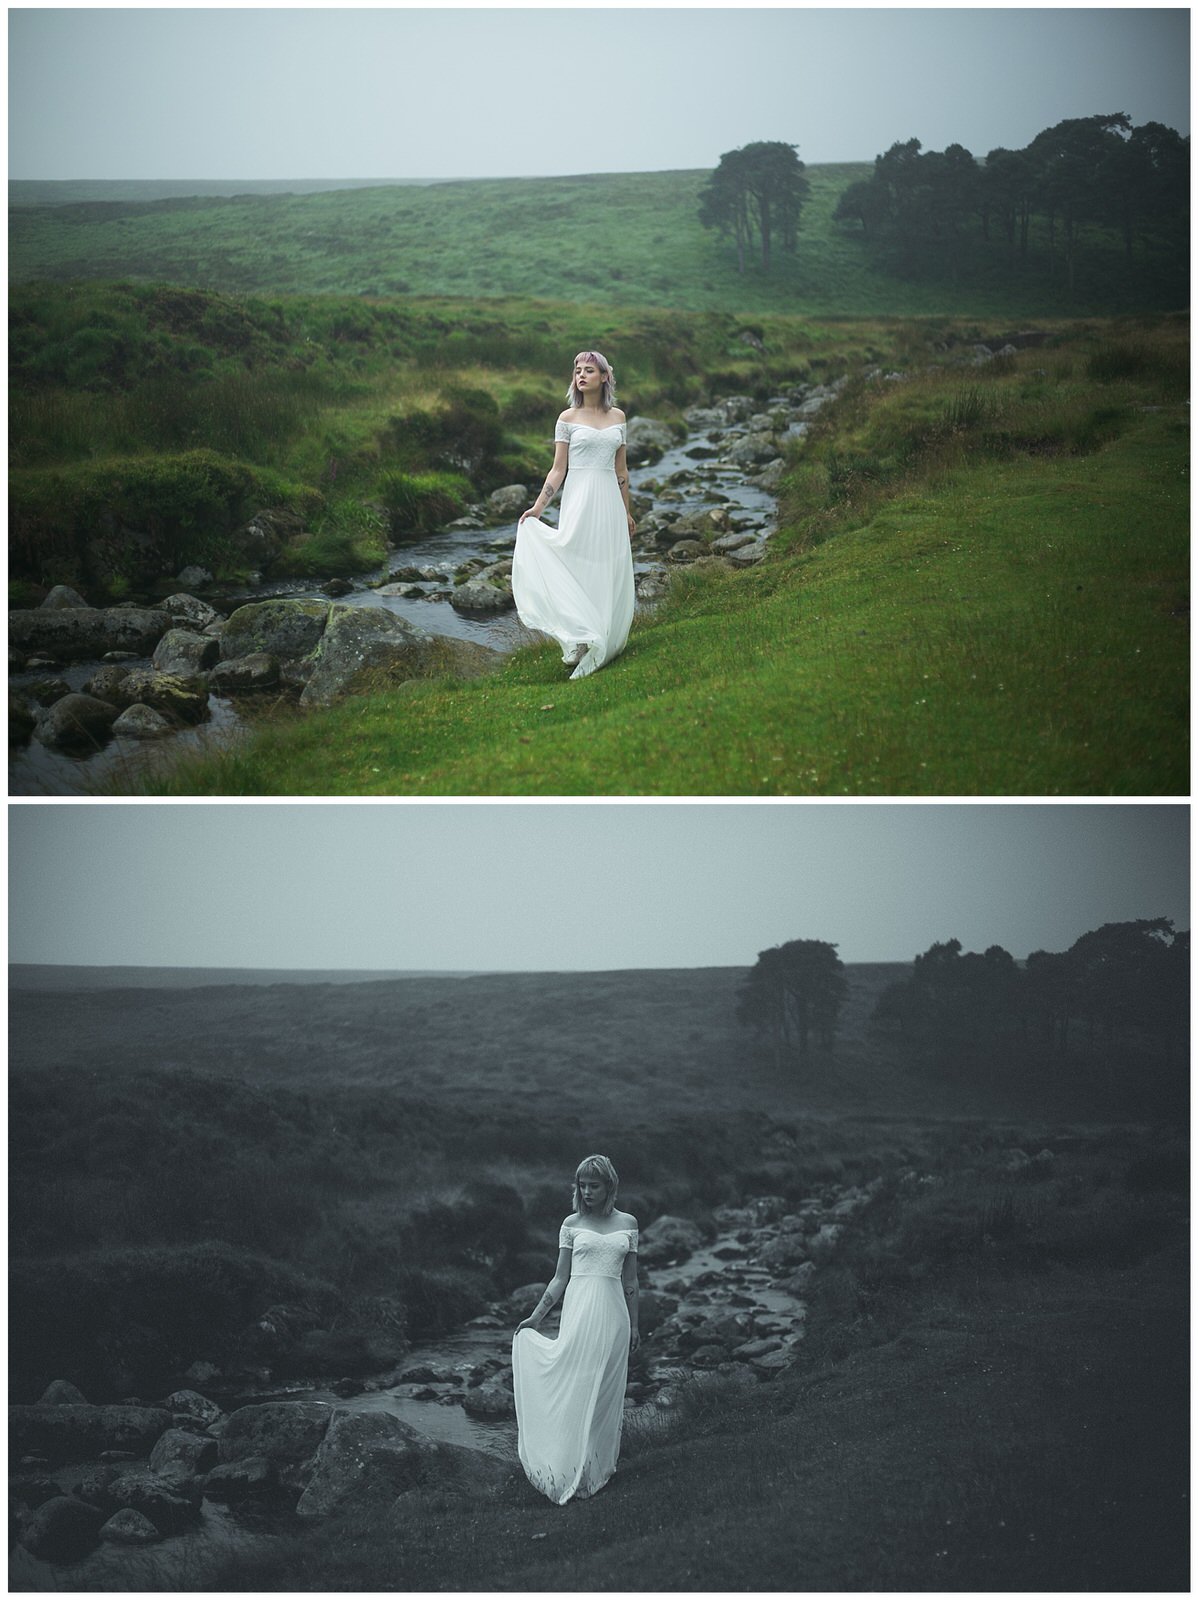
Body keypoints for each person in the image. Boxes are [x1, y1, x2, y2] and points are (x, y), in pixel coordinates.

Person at [511, 1154, 640, 1504]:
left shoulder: (628, 1223)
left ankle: (595, 1468)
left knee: (604, 1393)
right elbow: (559, 1278)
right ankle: (567, 1465)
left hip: (614, 1316)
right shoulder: (571, 1223)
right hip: (580, 1312)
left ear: (609, 1186)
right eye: (582, 1185)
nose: (586, 1192)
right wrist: (536, 1317)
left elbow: (631, 1281)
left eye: (593, 1185)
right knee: (580, 1385)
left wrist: (636, 1325)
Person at [512, 351, 637, 679]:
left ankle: (601, 632)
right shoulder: (567, 418)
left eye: (589, 370)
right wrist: (538, 507)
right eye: (578, 371)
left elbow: (621, 470)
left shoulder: (619, 418)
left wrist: (626, 512)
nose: (582, 375)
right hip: (579, 499)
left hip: (609, 500)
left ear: (604, 377)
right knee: (576, 558)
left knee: (605, 564)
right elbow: (557, 470)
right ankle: (577, 636)